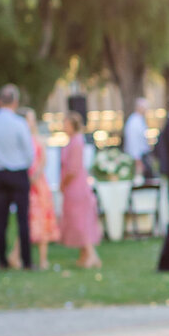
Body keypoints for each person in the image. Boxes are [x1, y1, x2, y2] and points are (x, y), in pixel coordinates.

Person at [0, 85, 34, 270]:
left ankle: (2, 260)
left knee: (1, 221)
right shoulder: (19, 123)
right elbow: (29, 152)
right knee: (22, 220)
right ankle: (27, 261)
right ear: (15, 102)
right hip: (18, 173)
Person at [59, 111, 102, 268]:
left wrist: (63, 183)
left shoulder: (77, 142)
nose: (63, 127)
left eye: (66, 123)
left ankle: (90, 254)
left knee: (80, 220)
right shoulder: (72, 141)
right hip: (72, 186)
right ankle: (85, 255)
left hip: (76, 187)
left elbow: (73, 169)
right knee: (75, 219)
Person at [23, 109, 58, 271]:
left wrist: (35, 176)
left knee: (42, 220)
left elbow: (43, 160)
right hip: (27, 185)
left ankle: (43, 259)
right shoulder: (22, 140)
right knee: (26, 221)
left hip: (39, 185)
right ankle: (17, 256)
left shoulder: (38, 139)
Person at [123, 98, 151, 176]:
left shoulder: (140, 120)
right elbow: (133, 142)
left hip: (143, 155)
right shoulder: (134, 122)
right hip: (138, 157)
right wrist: (137, 160)